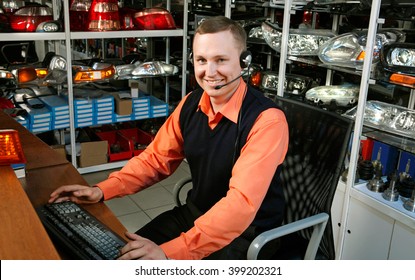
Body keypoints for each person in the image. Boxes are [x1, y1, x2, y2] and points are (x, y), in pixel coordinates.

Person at [49, 16, 289, 260]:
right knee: (119, 256)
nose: (210, 71)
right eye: (201, 60)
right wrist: (101, 190)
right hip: (195, 214)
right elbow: (155, 159)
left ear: (243, 62)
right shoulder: (191, 104)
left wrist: (169, 253)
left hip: (247, 236)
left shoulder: (266, 121)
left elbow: (239, 207)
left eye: (221, 60)